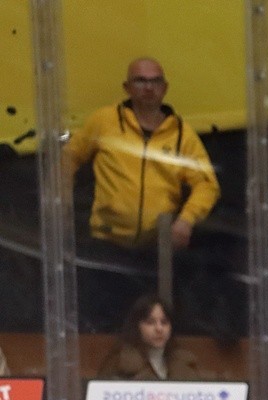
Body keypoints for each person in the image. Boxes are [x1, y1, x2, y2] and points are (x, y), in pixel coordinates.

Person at [65, 58, 221, 332]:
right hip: (104, 248)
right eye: (140, 81)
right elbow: (69, 157)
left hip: (154, 252)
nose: (148, 88)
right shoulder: (104, 121)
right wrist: (61, 196)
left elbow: (207, 184)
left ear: (165, 88)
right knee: (100, 328)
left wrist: (186, 220)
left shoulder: (181, 134)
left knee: (152, 327)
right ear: (127, 87)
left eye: (155, 81)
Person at [96, 294, 207, 381]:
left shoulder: (184, 364)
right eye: (150, 322)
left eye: (164, 322)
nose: (159, 328)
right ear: (137, 326)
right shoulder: (119, 364)